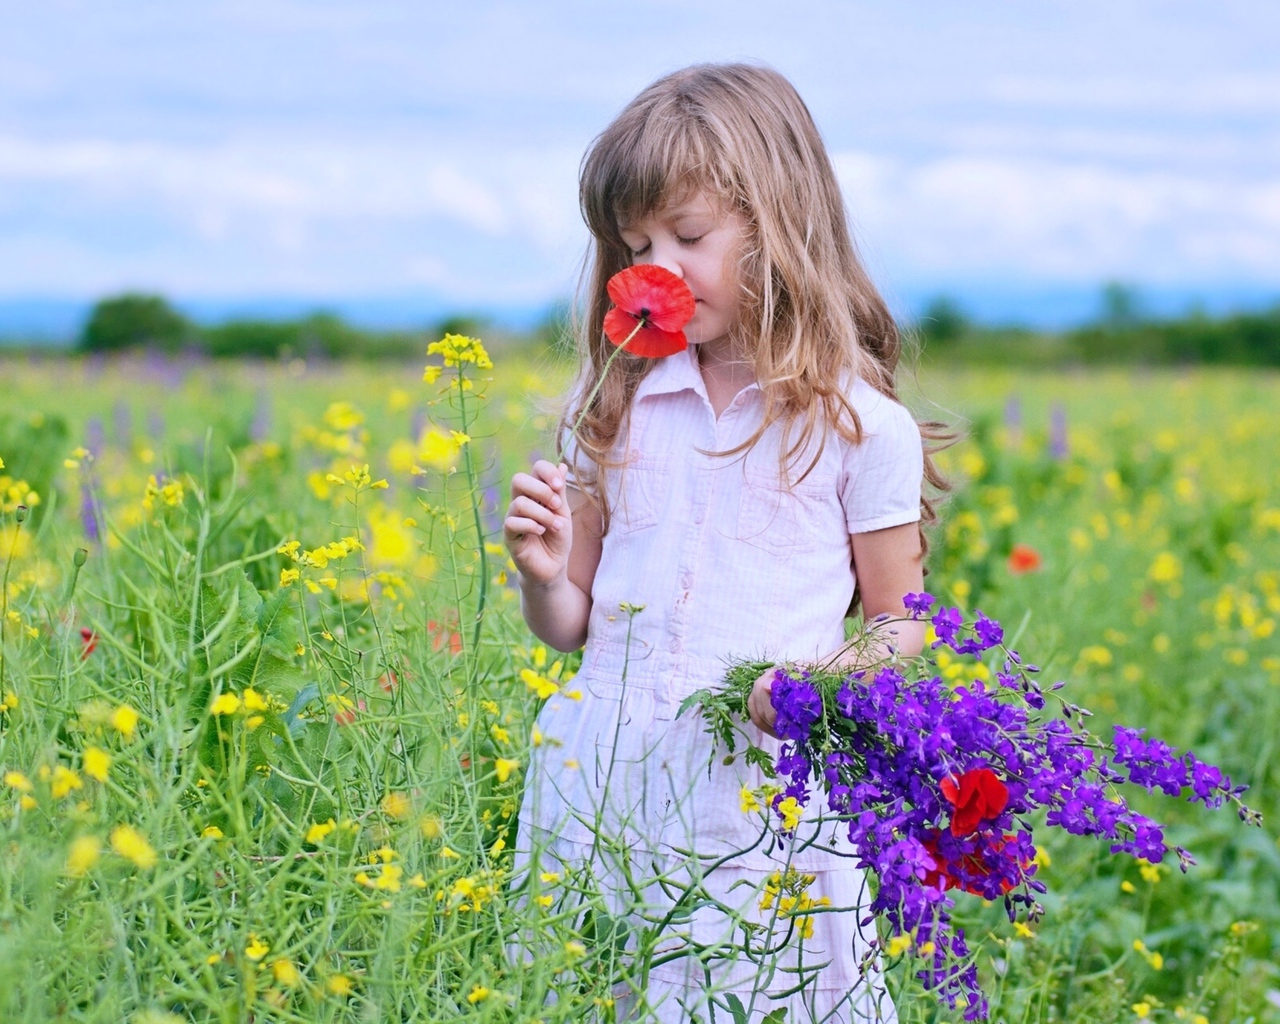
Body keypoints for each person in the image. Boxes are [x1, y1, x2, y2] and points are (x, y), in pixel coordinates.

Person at [503, 63, 947, 1024]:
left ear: (780, 223)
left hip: (758, 786)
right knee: (595, 990)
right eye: (635, 244)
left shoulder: (862, 427)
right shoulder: (610, 403)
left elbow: (901, 626)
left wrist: (813, 687)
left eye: (689, 237)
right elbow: (571, 626)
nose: (654, 267)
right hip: (602, 771)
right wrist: (543, 577)